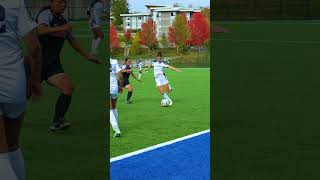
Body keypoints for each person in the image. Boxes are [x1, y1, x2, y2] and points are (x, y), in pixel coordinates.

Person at [36, 0, 101, 132]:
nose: (63, 5)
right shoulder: (45, 14)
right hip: (35, 62)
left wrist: (87, 55)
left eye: (64, 3)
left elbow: (72, 40)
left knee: (67, 87)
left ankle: (57, 121)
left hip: (52, 64)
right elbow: (41, 30)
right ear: (52, 3)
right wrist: (62, 28)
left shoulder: (63, 20)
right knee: (20, 95)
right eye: (59, 2)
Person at [0, 0, 42, 179]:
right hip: (14, 82)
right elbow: (34, 47)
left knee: (1, 157)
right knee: (12, 146)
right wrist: (34, 79)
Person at [110, 58, 123, 138]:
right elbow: (120, 75)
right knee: (114, 107)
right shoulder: (114, 61)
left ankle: (116, 129)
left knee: (109, 109)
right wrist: (120, 86)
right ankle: (117, 126)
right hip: (114, 86)